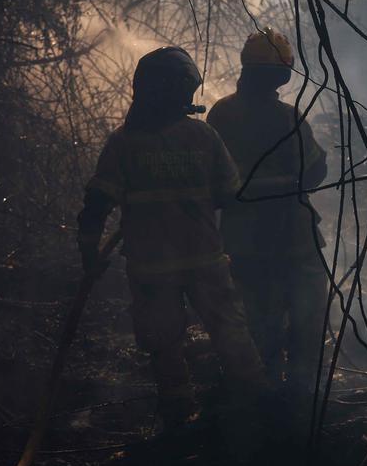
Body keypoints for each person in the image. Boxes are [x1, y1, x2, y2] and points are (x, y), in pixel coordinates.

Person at [77, 46, 265, 431]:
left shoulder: (124, 142)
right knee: (230, 330)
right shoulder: (203, 136)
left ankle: (179, 415)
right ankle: (254, 402)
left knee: (164, 343)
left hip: (152, 268)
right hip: (205, 259)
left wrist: (89, 253)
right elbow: (232, 194)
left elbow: (97, 204)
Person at [207, 29, 329, 408]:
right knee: (307, 311)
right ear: (283, 74)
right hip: (293, 235)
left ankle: (261, 388)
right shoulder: (287, 118)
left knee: (256, 315)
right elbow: (315, 170)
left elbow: (212, 181)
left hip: (243, 238)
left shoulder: (220, 114)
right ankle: (300, 391)